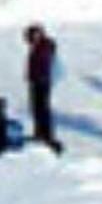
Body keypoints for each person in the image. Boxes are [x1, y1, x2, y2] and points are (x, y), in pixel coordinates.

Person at [24, 24, 63, 154]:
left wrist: (39, 77)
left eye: (30, 37)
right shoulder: (39, 46)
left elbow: (42, 64)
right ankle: (39, 133)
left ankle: (46, 135)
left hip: (41, 82)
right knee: (37, 108)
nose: (28, 41)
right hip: (37, 81)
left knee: (42, 108)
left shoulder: (44, 47)